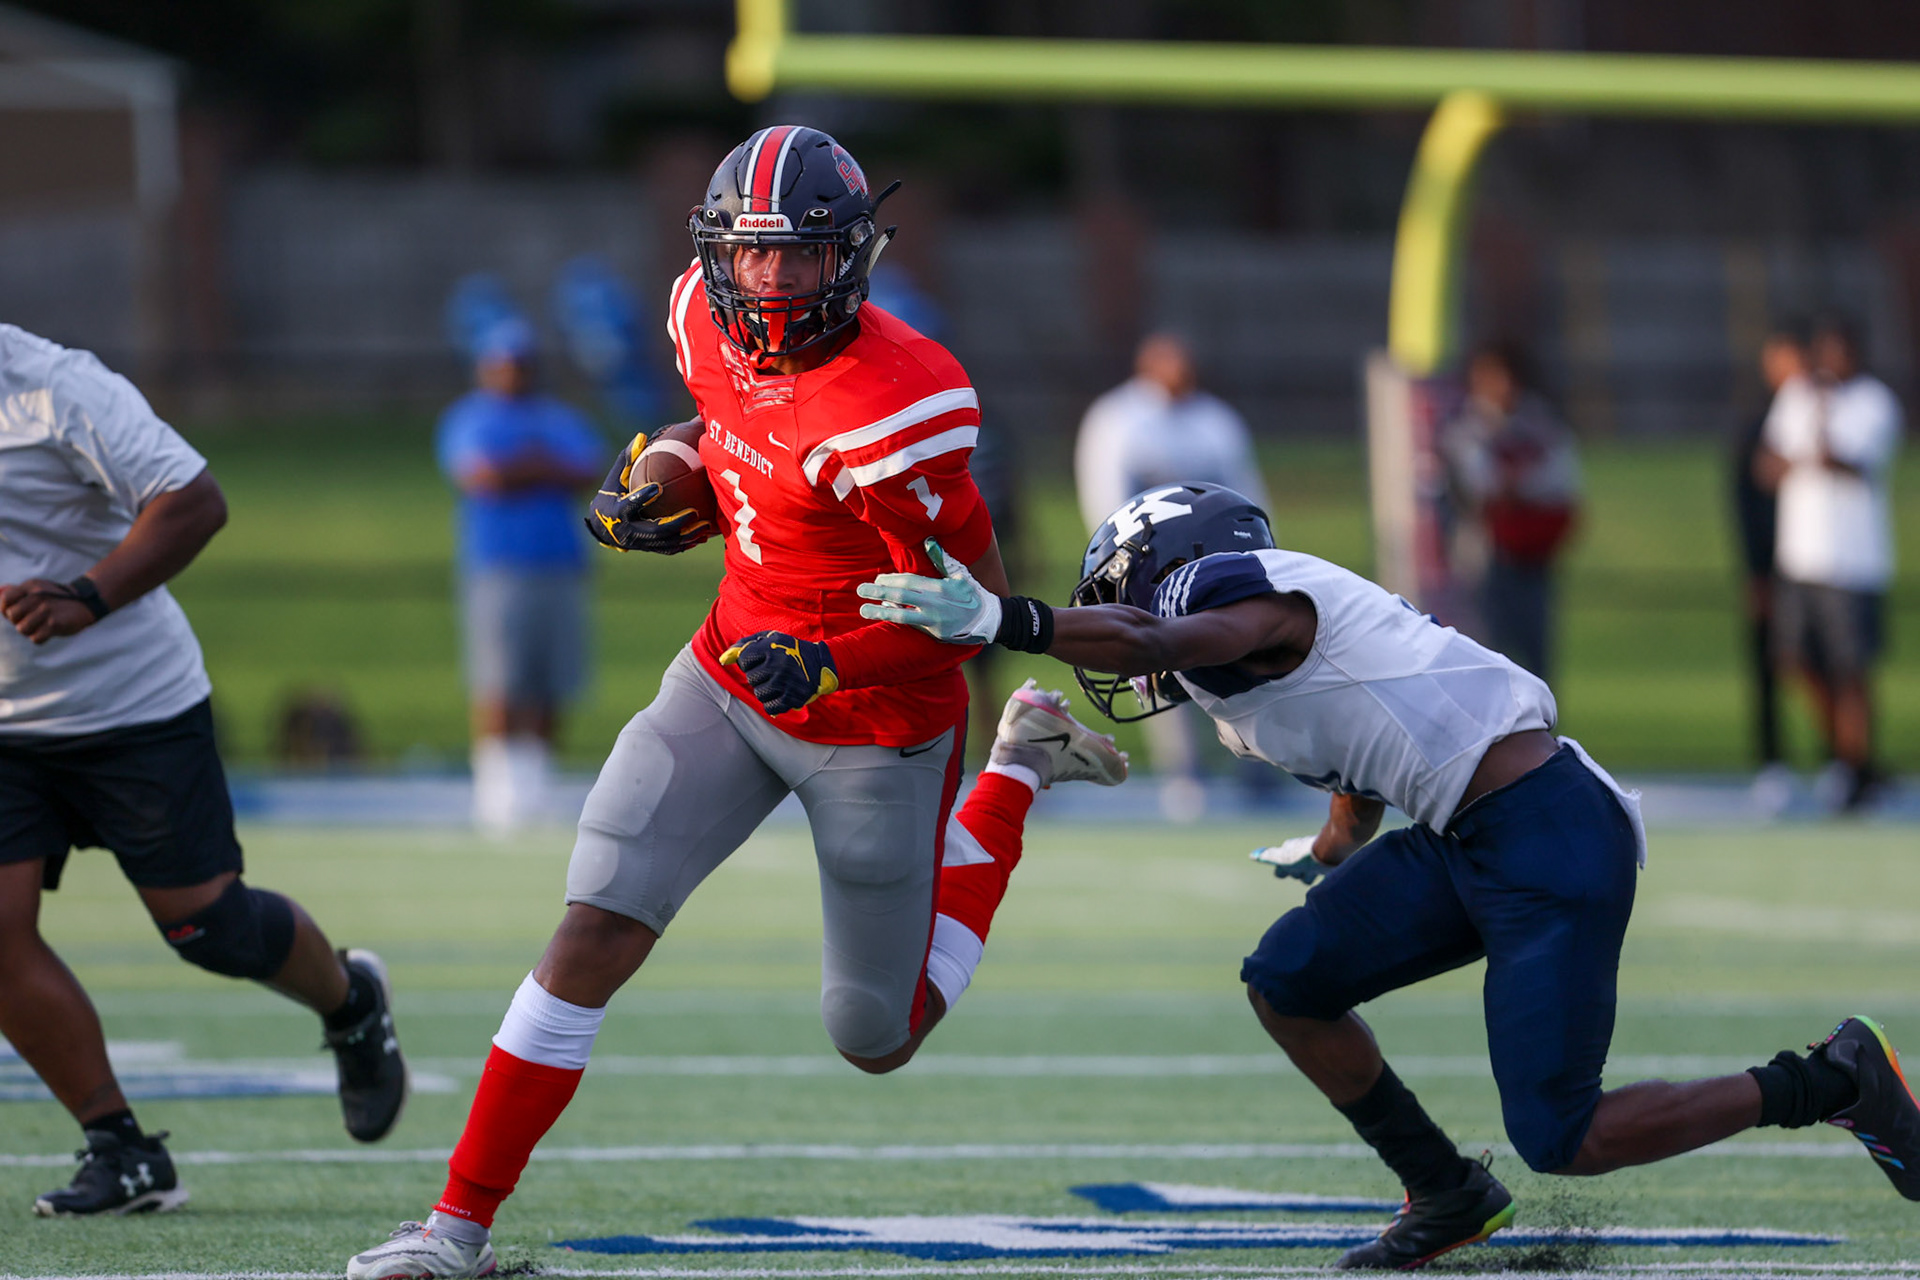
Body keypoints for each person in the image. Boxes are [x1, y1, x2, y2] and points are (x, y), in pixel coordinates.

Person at [346, 125, 1127, 1280]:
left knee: (877, 1033)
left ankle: (1019, 765)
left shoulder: (899, 402)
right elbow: (724, 435)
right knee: (594, 918)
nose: (767, 278)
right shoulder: (698, 314)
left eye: (797, 254)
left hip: (878, 713)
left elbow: (970, 610)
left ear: (849, 257)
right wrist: (661, 476)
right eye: (750, 251)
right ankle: (455, 1226)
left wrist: (831, 663)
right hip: (726, 671)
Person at [856, 481, 1919, 1269]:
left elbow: (1157, 630)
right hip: (1476, 834)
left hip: (1548, 833)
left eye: (1117, 593)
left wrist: (1014, 620)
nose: (1113, 628)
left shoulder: (1224, 592)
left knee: (1565, 1133)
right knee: (1289, 976)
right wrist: (1330, 847)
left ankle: (1830, 1076)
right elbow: (1359, 760)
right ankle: (1447, 1187)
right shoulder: (1241, 650)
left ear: (1166, 559)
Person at [0, 324, 407, 1217]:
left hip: (128, 705)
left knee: (208, 929)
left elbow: (194, 500)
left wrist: (87, 596)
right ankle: (123, 1149)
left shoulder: (55, 389)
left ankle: (350, 1002)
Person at [1074, 333, 1271, 819]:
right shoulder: (1119, 418)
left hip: (1217, 565)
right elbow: (1105, 494)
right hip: (1153, 566)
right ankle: (1184, 770)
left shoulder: (1216, 419)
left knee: (1231, 654)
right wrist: (1118, 566)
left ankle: (1255, 763)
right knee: (1161, 661)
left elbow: (1246, 495)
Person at [437, 318, 605, 832]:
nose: (513, 373)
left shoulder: (557, 417)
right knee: (500, 678)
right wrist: (540, 468)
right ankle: (496, 789)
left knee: (550, 678)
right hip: (499, 568)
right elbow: (483, 476)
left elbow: (589, 470)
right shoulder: (470, 417)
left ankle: (535, 783)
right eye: (504, 364)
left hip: (559, 566)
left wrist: (527, 468)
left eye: (521, 364)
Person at [1754, 316, 1902, 813]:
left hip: (1854, 559)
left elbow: (1850, 461)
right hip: (1801, 556)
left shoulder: (1872, 402)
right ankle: (1854, 759)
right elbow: (1768, 466)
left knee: (1851, 668)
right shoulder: (1795, 399)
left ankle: (1855, 767)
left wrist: (1814, 439)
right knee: (1794, 660)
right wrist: (1801, 450)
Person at [1438, 342, 1579, 681]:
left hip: (1531, 559)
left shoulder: (1540, 424)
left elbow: (1561, 479)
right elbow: (1476, 486)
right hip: (1483, 560)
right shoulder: (1463, 427)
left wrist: (1517, 487)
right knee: (1484, 658)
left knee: (1535, 663)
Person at [1734, 327, 1805, 814]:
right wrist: (1756, 568)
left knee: (1825, 664)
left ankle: (1845, 763)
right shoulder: (1758, 423)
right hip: (1773, 564)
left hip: (1817, 563)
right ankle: (1773, 763)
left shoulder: (1825, 413)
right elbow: (1745, 500)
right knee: (1766, 664)